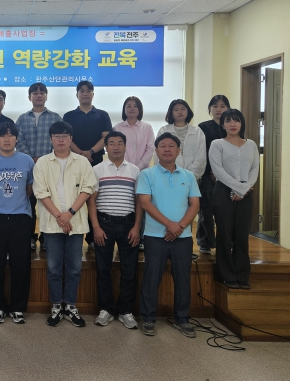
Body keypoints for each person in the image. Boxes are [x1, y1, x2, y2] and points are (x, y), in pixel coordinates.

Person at [137, 133, 201, 338]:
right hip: (155, 235)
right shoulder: (147, 174)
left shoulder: (188, 176)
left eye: (171, 146)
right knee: (151, 277)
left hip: (183, 237)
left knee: (183, 279)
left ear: (178, 150)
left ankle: (182, 318)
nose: (167, 149)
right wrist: (169, 225)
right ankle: (148, 317)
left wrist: (179, 227)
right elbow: (145, 203)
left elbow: (195, 205)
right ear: (156, 150)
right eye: (162, 146)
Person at [33, 121, 96, 328]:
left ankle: (70, 305)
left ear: (71, 139)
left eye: (65, 136)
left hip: (75, 222)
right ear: (51, 139)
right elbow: (41, 192)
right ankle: (56, 306)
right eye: (57, 136)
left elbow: (87, 188)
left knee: (74, 268)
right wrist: (60, 217)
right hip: (52, 224)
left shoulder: (82, 162)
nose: (61, 140)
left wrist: (69, 214)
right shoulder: (42, 163)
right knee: (53, 268)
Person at [0, 122, 35, 324]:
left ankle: (18, 307)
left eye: (11, 135)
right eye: (3, 135)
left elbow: (29, 189)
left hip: (21, 217)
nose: (7, 139)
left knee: (21, 264)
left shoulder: (27, 161)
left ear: (16, 139)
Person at [87, 131, 142, 329]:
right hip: (104, 224)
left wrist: (137, 227)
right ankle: (106, 309)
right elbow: (91, 201)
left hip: (128, 225)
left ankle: (126, 311)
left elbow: (139, 201)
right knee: (103, 270)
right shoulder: (97, 169)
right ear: (106, 147)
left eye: (120, 143)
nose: (116, 146)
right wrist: (96, 227)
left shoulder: (135, 170)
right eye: (111, 143)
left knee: (130, 270)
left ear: (125, 146)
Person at [209, 109, 259, 290]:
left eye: (236, 120)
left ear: (241, 123)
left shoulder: (251, 144)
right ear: (222, 124)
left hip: (246, 191)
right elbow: (218, 171)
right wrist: (238, 187)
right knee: (224, 233)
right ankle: (226, 275)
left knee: (241, 235)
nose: (232, 124)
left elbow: (254, 169)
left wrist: (243, 189)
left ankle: (242, 275)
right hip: (223, 191)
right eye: (228, 121)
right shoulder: (217, 144)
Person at [63, 80, 112, 249]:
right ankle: (71, 233)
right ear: (77, 94)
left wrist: (90, 152)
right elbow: (66, 138)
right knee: (73, 197)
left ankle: (92, 237)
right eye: (82, 91)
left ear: (93, 94)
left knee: (94, 198)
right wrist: (81, 154)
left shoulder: (102, 115)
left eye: (88, 91)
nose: (85, 93)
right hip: (73, 161)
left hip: (95, 161)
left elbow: (106, 137)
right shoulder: (69, 116)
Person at [15, 82, 62, 250]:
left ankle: (46, 238)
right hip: (27, 168)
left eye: (42, 92)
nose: (39, 95)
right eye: (35, 93)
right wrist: (31, 159)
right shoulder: (22, 119)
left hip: (50, 169)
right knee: (28, 203)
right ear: (29, 97)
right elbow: (18, 141)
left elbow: (59, 141)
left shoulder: (55, 118)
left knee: (49, 203)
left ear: (46, 96)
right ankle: (29, 236)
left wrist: (44, 160)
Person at [113, 96, 155, 251]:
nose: (131, 109)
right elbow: (116, 149)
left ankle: (141, 237)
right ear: (124, 109)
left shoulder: (147, 127)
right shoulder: (117, 128)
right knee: (126, 202)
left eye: (135, 106)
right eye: (128, 106)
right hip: (122, 171)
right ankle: (124, 236)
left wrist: (137, 167)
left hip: (142, 172)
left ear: (139, 109)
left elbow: (150, 148)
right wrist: (128, 167)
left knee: (142, 203)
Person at [197, 95, 231, 254]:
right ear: (210, 109)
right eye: (215, 106)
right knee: (206, 209)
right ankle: (205, 242)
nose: (218, 109)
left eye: (222, 106)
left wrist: (222, 172)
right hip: (206, 173)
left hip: (228, 174)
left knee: (225, 211)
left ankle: (226, 242)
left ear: (228, 108)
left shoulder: (231, 126)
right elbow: (201, 152)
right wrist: (211, 171)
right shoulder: (203, 127)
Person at [154, 99, 206, 181]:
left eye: (183, 109)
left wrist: (190, 175)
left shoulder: (197, 131)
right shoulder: (163, 130)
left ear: (188, 111)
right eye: (176, 110)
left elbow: (201, 158)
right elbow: (158, 154)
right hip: (167, 177)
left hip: (192, 178)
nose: (180, 112)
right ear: (171, 112)